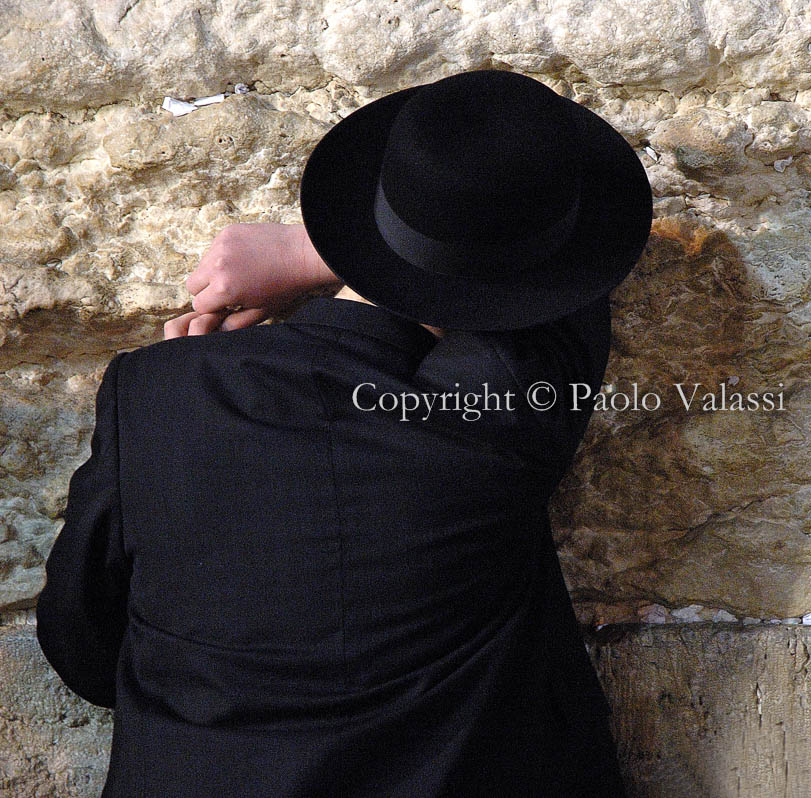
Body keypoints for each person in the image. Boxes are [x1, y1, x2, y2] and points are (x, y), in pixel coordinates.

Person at [34, 68, 652, 796]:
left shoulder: (159, 395)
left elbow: (82, 649)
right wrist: (306, 252)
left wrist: (177, 401)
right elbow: (563, 288)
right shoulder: (502, 418)